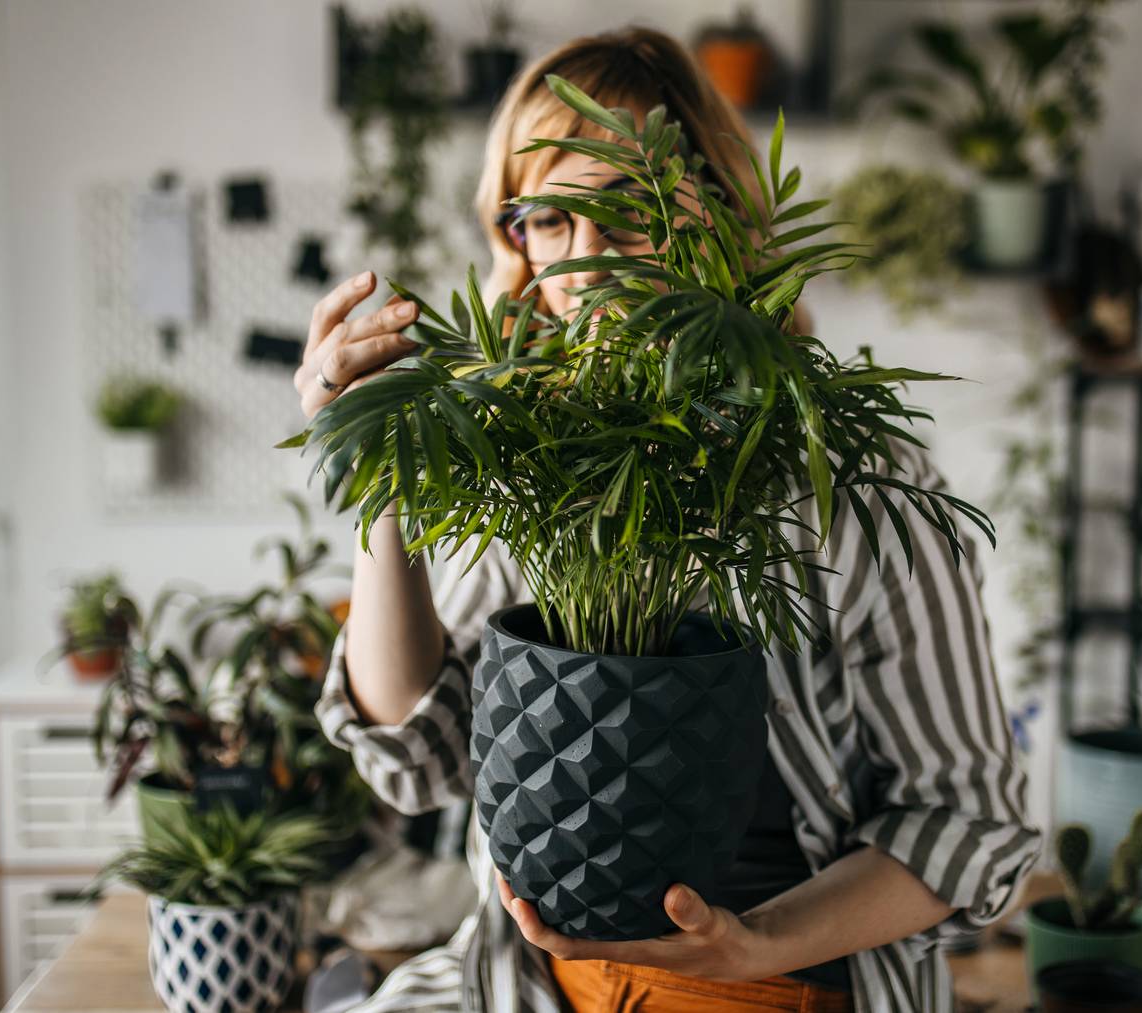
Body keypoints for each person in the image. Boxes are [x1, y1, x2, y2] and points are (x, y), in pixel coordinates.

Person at [294, 26, 1039, 1013]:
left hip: (783, 986)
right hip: (527, 984)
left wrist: (753, 941)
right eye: (548, 221)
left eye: (629, 209)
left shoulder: (851, 479)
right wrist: (386, 471)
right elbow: (415, 755)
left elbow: (970, 822)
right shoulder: (514, 462)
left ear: (722, 209)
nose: (589, 259)